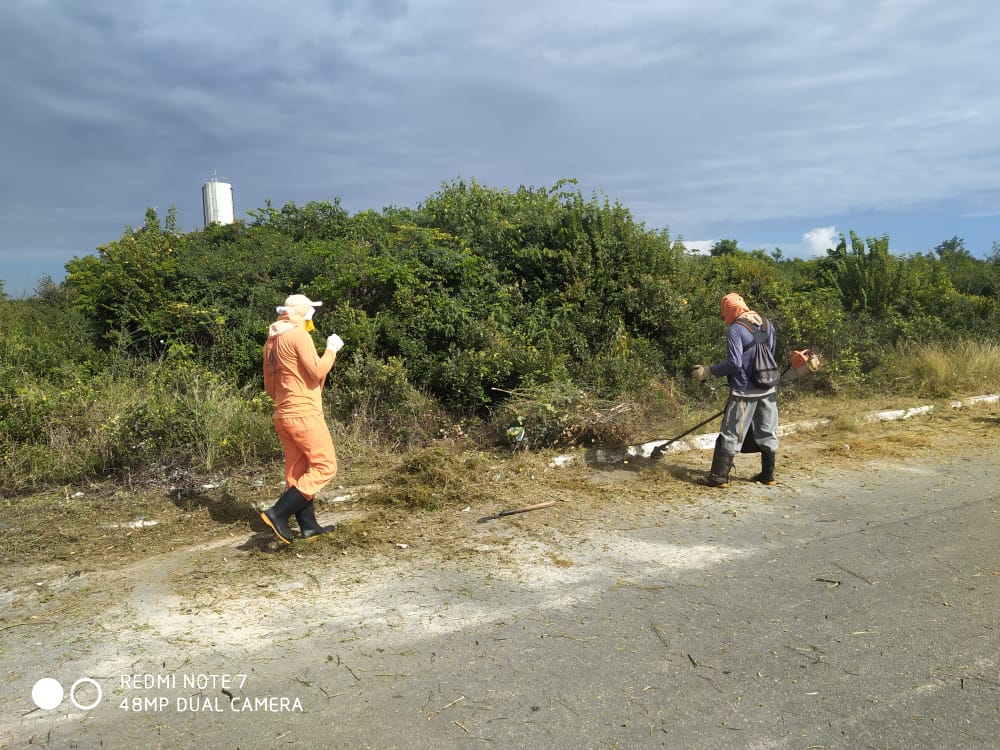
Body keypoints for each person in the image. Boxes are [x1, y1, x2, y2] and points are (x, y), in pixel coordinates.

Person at [260, 293, 344, 543]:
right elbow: (318, 369)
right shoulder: (299, 335)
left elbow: (269, 386)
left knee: (297, 473)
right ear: (304, 314)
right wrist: (331, 350)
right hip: (304, 413)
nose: (312, 318)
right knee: (325, 466)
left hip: (283, 413)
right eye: (311, 313)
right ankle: (278, 513)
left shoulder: (271, 341)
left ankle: (308, 526)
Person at [691, 292, 778, 487]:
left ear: (730, 311)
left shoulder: (736, 330)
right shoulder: (767, 324)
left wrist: (709, 370)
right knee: (767, 431)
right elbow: (771, 353)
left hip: (743, 392)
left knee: (731, 433)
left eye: (724, 314)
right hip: (767, 388)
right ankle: (768, 476)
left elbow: (734, 363)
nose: (724, 318)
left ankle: (719, 478)